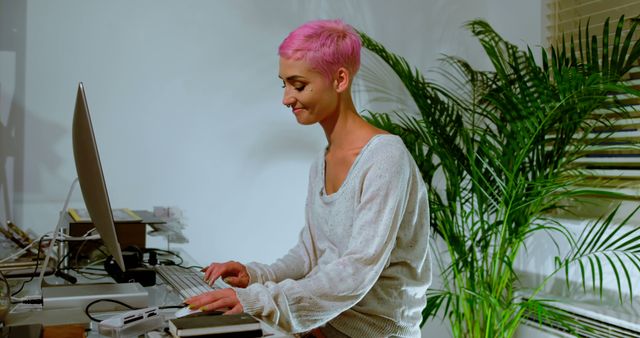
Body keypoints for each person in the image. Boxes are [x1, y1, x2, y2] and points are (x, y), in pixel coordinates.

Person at [185, 19, 431, 337]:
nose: (286, 99)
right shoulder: (323, 161)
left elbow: (358, 269)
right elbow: (310, 253)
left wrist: (258, 301)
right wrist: (256, 276)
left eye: (298, 86)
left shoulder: (386, 158)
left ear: (340, 79)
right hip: (326, 325)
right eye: (283, 85)